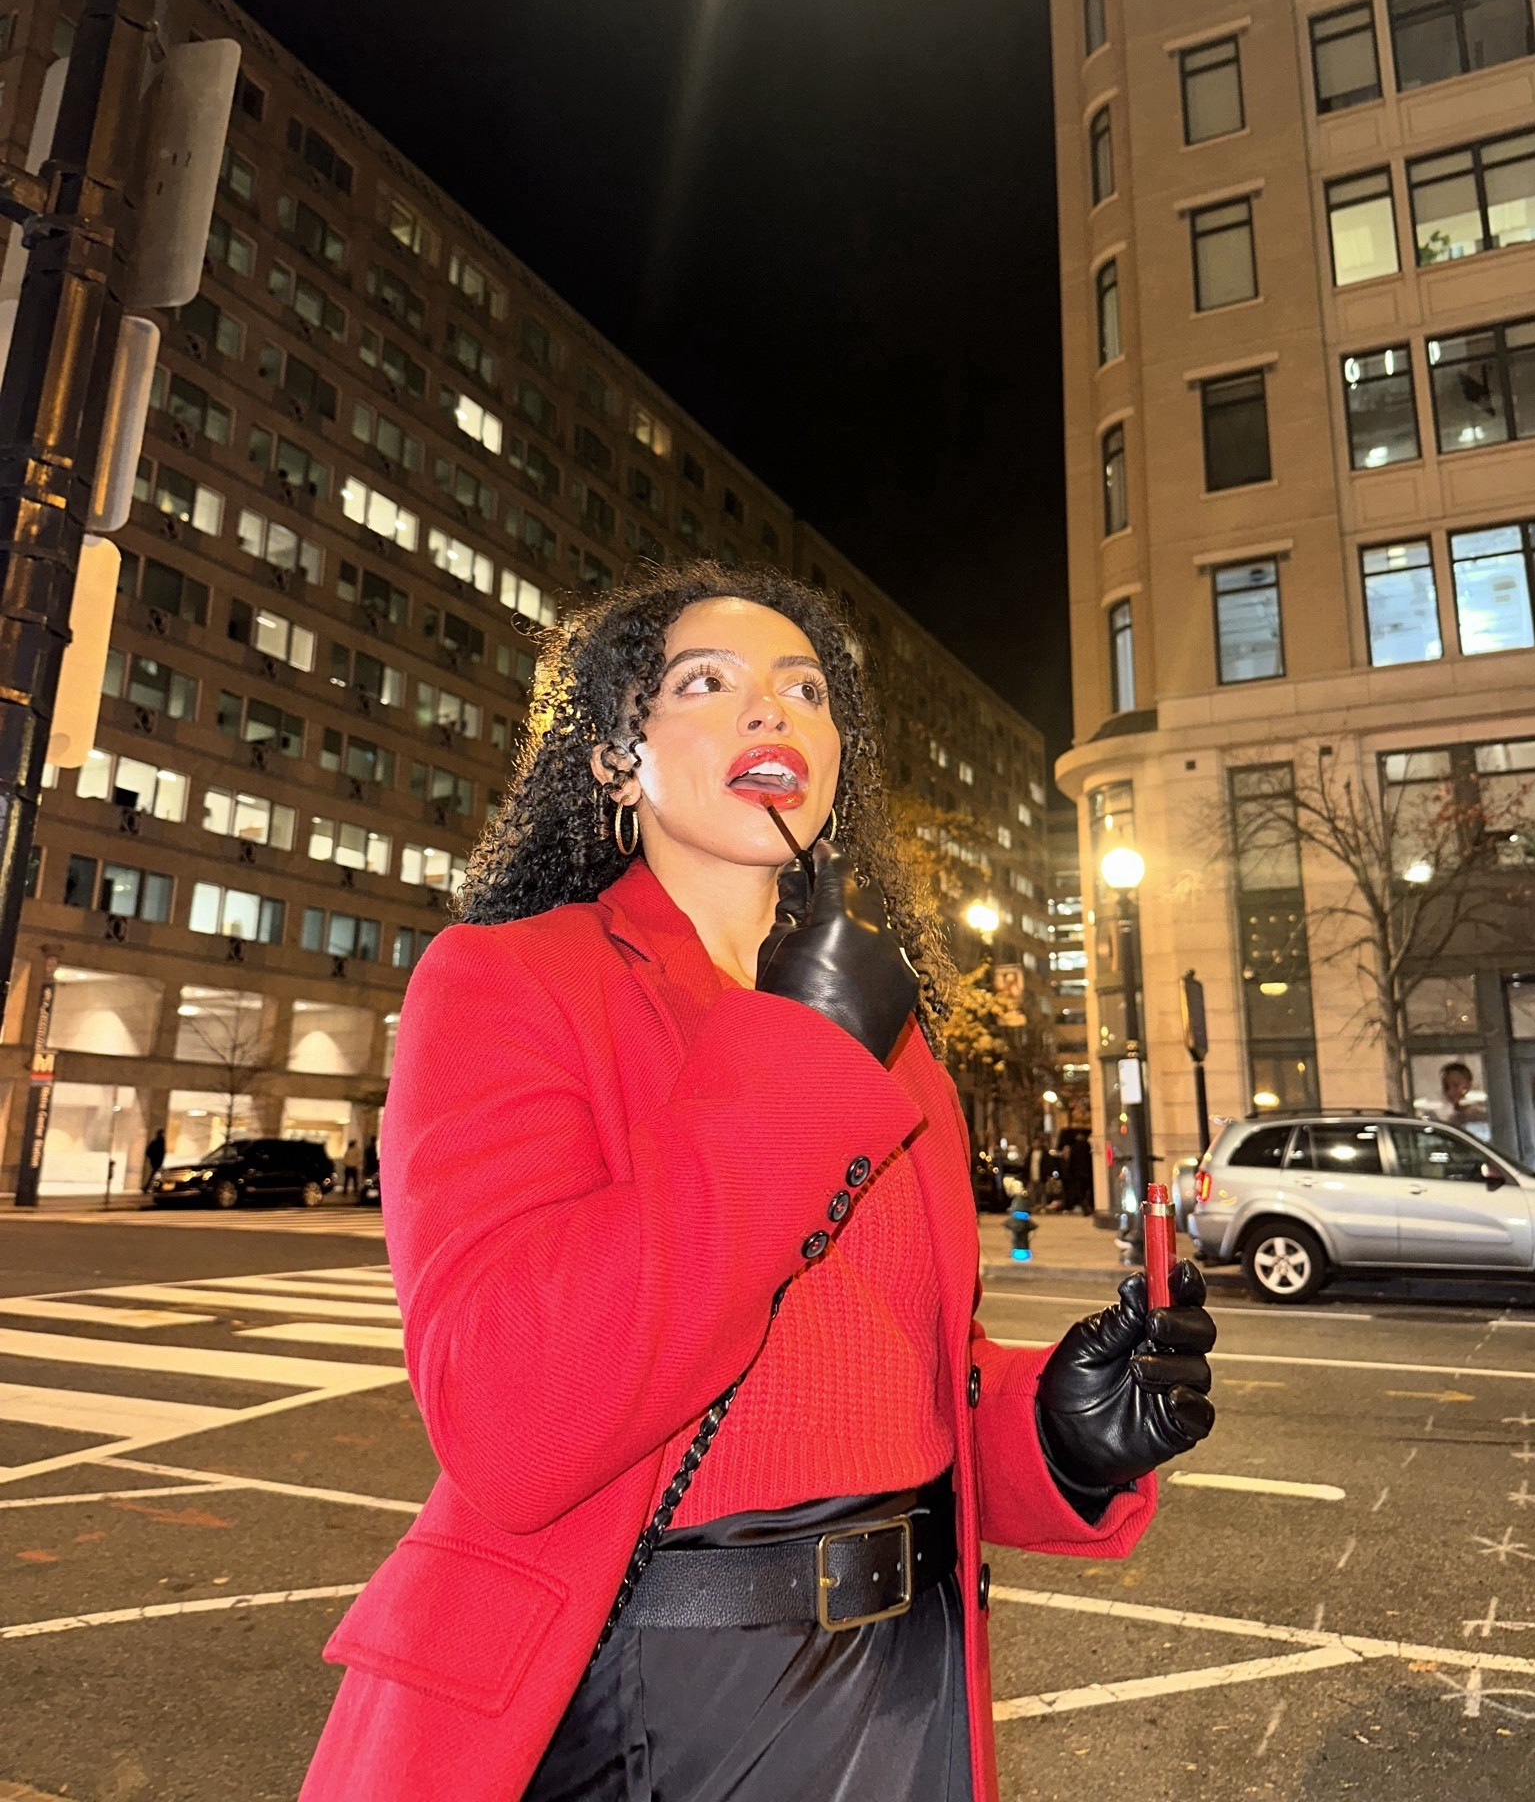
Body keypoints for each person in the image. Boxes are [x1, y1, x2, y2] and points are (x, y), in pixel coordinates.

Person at [300, 565, 1216, 1802]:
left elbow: (889, 1378)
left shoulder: (898, 1048)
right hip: (642, 1688)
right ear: (618, 758)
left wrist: (1054, 1429)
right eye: (707, 682)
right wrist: (800, 1052)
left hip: (900, 1673)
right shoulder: (508, 981)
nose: (772, 711)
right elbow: (511, 1413)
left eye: (806, 690)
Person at [140, 1126, 165, 1194]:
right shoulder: (160, 1142)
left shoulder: (155, 1142)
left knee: (155, 1174)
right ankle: (151, 1187)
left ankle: (148, 1187)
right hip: (157, 1161)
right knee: (157, 1174)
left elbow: (148, 1152)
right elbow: (161, 1152)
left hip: (155, 1160)